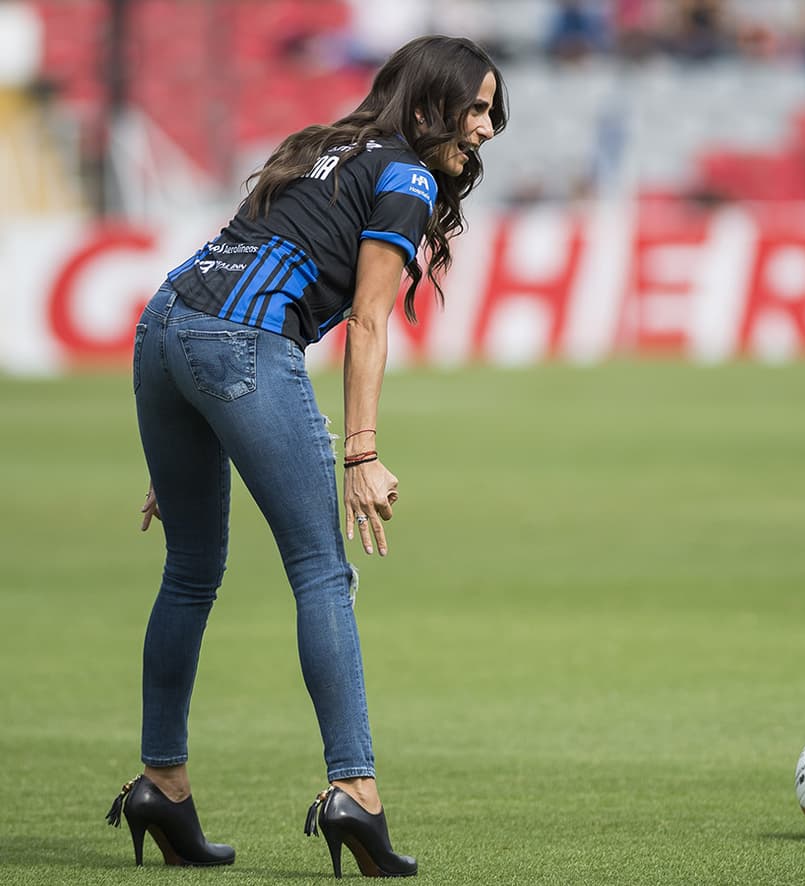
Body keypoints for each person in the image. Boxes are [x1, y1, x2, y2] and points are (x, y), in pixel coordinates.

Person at [103, 35, 506, 878]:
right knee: (323, 574)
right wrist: (360, 453)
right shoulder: (406, 176)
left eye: (493, 110)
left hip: (166, 327)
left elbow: (230, 269)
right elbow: (367, 319)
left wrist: (186, 422)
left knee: (188, 572)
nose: (488, 127)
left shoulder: (322, 144)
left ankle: (161, 785)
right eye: (476, 108)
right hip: (239, 345)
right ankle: (354, 795)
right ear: (429, 106)